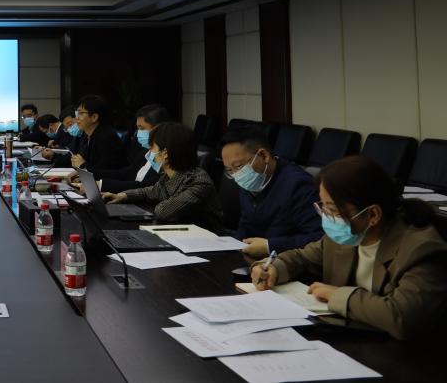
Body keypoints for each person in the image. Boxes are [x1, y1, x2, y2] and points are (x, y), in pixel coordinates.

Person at [252, 155, 447, 340]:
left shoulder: (421, 249)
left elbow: (403, 317)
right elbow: (303, 257)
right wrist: (274, 268)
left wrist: (337, 296)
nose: (327, 217)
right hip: (348, 339)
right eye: (323, 207)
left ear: (373, 215)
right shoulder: (343, 238)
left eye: (333, 210)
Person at [220, 127, 322, 258]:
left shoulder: (298, 185)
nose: (236, 175)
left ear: (264, 156)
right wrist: (234, 246)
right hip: (254, 259)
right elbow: (246, 224)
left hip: (288, 261)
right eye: (229, 170)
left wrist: (270, 246)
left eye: (238, 166)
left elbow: (318, 237)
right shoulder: (249, 180)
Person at [103, 122, 223, 232]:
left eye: (151, 148)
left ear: (165, 153)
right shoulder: (169, 176)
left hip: (207, 242)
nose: (148, 153)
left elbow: (164, 211)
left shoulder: (198, 181)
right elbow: (149, 192)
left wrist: (157, 200)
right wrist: (123, 196)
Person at [96, 104, 168, 193]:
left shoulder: (167, 157)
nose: (138, 133)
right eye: (138, 128)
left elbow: (146, 187)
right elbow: (127, 173)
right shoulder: (145, 151)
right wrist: (92, 174)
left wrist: (101, 185)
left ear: (159, 128)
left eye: (142, 128)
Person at [70, 95, 126, 179]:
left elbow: (105, 171)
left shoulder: (107, 138)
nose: (76, 118)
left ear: (94, 117)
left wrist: (82, 165)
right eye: (76, 113)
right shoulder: (86, 135)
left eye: (81, 113)